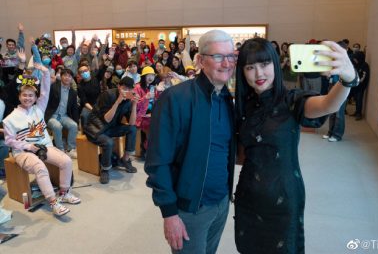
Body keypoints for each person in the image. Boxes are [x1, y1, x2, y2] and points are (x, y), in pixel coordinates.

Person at [234, 38, 358, 253]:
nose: (259, 74)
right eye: (250, 67)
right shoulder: (243, 106)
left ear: (275, 63)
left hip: (283, 198)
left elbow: (328, 104)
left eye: (264, 64)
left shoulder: (291, 100)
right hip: (248, 197)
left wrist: (348, 79)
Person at [144, 30, 236, 253]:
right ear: (201, 60)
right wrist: (169, 213)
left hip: (222, 203)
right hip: (190, 210)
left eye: (231, 56)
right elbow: (157, 161)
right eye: (217, 56)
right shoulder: (175, 99)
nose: (226, 63)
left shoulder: (227, 98)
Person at [3, 62, 81, 217]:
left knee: (66, 161)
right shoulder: (10, 119)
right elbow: (9, 141)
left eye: (31, 95)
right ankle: (53, 202)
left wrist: (45, 72)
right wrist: (29, 147)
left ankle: (64, 193)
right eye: (24, 95)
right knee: (40, 167)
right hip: (23, 152)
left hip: (44, 146)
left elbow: (45, 91)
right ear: (19, 96)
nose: (28, 98)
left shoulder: (39, 109)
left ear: (35, 97)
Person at [83, 77, 139, 184]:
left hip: (110, 128)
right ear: (118, 86)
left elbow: (132, 123)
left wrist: (135, 105)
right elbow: (107, 119)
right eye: (124, 88)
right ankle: (105, 169)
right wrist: (117, 102)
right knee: (109, 142)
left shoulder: (128, 100)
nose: (126, 91)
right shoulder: (108, 95)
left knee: (132, 129)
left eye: (129, 89)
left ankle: (125, 159)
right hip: (96, 128)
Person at [45, 68, 79, 158]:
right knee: (57, 126)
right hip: (52, 115)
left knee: (74, 125)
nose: (67, 78)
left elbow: (75, 108)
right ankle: (60, 149)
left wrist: (77, 121)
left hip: (64, 116)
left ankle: (71, 149)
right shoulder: (54, 86)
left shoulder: (73, 92)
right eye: (65, 75)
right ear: (61, 76)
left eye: (69, 76)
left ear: (72, 78)